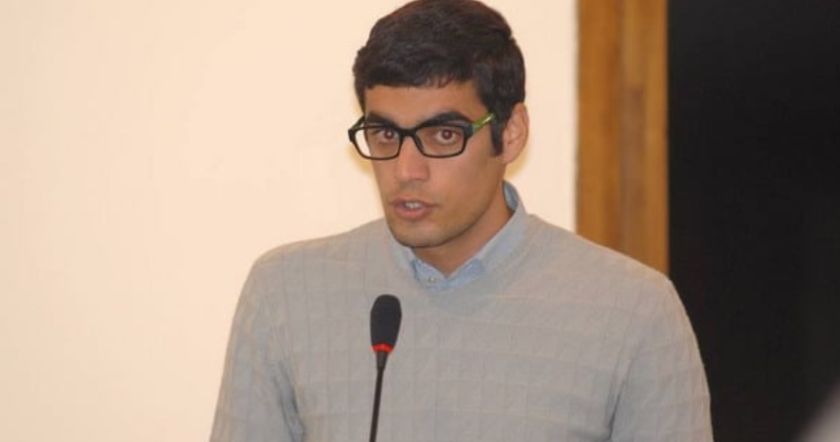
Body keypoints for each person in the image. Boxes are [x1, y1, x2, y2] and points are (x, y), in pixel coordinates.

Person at [210, 0, 712, 441]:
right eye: (385, 135)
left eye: (444, 135)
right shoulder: (286, 293)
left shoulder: (633, 312)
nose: (406, 170)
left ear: (510, 134)